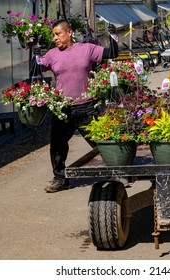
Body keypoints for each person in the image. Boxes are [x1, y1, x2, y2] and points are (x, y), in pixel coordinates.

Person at [37, 19, 119, 193]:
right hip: (63, 108)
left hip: (86, 107)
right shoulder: (52, 54)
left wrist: (113, 35)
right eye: (53, 35)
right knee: (57, 145)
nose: (55, 38)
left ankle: (116, 173)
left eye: (58, 34)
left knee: (101, 142)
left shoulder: (86, 49)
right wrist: (34, 52)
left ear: (69, 32)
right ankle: (60, 179)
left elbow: (112, 53)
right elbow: (36, 68)